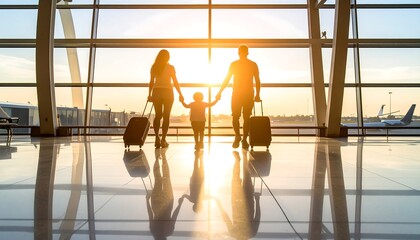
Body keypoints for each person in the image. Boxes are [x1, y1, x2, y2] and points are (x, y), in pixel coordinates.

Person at [215, 45, 261, 149]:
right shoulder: (252, 64)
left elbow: (227, 80)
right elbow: (257, 81)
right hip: (248, 94)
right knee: (246, 118)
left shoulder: (234, 64)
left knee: (235, 116)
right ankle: (244, 139)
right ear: (247, 52)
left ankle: (238, 136)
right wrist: (257, 94)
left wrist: (220, 92)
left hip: (237, 94)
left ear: (238, 53)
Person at [148, 49, 184, 148]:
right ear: (168, 57)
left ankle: (157, 138)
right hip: (168, 92)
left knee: (158, 115)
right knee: (166, 116)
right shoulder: (171, 67)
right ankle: (163, 139)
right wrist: (180, 93)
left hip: (157, 92)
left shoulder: (154, 67)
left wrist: (149, 94)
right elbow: (175, 82)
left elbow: (151, 82)